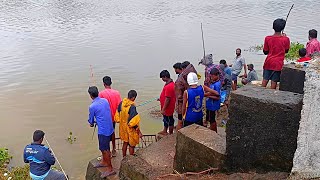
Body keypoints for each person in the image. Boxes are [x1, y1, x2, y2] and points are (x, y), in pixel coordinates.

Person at [88, 86, 115, 178]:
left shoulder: (92, 106)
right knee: (102, 148)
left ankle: (110, 169)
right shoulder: (105, 100)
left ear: (91, 95)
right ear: (98, 93)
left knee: (105, 149)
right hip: (110, 127)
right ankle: (104, 161)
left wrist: (91, 123)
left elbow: (91, 121)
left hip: (103, 130)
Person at [262, 18, 290, 89]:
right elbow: (286, 51)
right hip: (278, 64)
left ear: (273, 27)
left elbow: (265, 51)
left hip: (268, 62)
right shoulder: (286, 39)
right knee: (274, 82)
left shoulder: (267, 38)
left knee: (265, 80)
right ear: (283, 28)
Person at [114, 90, 142, 157]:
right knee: (132, 145)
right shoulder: (132, 107)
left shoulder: (121, 103)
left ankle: (124, 157)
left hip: (123, 128)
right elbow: (133, 123)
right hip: (130, 129)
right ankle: (131, 159)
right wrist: (139, 132)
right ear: (133, 97)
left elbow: (117, 117)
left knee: (125, 143)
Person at [99, 76, 122, 157]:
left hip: (106, 118)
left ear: (104, 84)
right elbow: (120, 105)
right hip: (114, 117)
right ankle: (114, 149)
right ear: (111, 83)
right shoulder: (117, 93)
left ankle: (107, 150)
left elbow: (100, 106)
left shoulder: (101, 93)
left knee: (106, 134)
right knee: (112, 132)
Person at [175, 61, 198, 130]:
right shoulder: (180, 81)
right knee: (180, 121)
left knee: (182, 121)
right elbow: (179, 97)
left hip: (188, 104)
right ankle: (178, 136)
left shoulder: (186, 78)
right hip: (182, 105)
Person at [159, 70, 176, 135]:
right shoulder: (169, 84)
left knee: (170, 120)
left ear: (165, 77)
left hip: (168, 108)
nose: (162, 79)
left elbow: (168, 99)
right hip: (166, 107)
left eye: (162, 78)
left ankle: (170, 134)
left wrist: (163, 109)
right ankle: (165, 130)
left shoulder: (169, 86)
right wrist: (160, 98)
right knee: (165, 119)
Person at [206, 68, 221, 132]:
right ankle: (212, 129)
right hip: (210, 105)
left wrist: (207, 95)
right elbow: (212, 92)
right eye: (211, 76)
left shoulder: (217, 84)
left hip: (213, 105)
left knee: (212, 119)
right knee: (210, 118)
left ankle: (214, 131)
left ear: (217, 75)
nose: (211, 77)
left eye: (212, 76)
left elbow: (218, 97)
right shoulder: (213, 83)